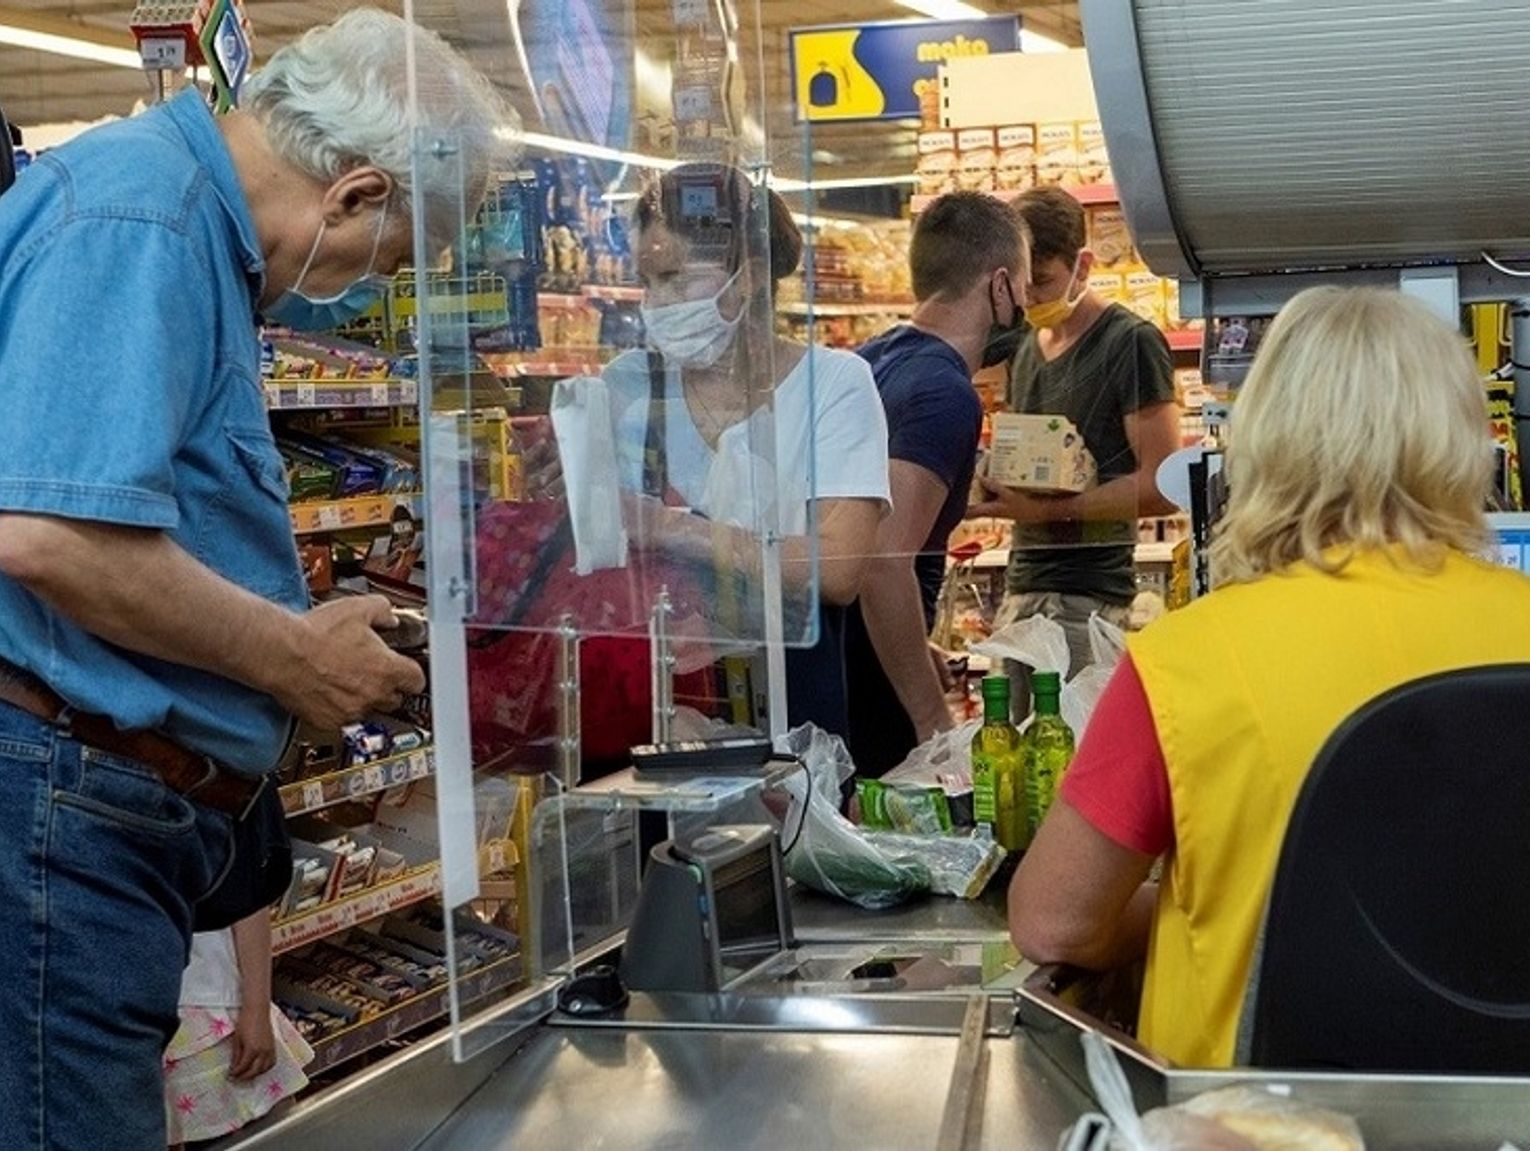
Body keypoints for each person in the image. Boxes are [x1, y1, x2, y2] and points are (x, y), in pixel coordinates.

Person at [0, 11, 508, 1148]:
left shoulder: (184, 229)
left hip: (95, 807)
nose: (365, 284)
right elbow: (45, 534)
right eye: (391, 256)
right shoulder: (142, 218)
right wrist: (291, 654)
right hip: (56, 807)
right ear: (357, 192)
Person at [1008, 286, 1530, 1068]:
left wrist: (1202, 905)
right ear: (1458, 438)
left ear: (1264, 445)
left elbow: (1054, 923)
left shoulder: (1185, 660)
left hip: (1243, 1118)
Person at [603, 164, 891, 738]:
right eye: (648, 280)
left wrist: (668, 527)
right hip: (659, 710)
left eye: (678, 279)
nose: (656, 302)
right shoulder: (629, 386)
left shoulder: (832, 384)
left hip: (793, 712)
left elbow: (836, 569)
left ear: (751, 275)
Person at [968, 186, 1180, 712]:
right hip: (1023, 588)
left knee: (1073, 759)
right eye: (1022, 285)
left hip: (1089, 597)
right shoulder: (1020, 345)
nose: (1032, 299)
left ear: (1082, 265)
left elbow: (1162, 484)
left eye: (1043, 281)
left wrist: (1045, 511)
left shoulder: (1128, 341)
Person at [843, 191, 1030, 777]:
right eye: (1023, 287)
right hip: (876, 706)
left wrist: (916, 651)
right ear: (998, 286)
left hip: (845, 670)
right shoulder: (944, 393)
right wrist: (932, 719)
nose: (1026, 304)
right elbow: (880, 561)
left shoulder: (873, 358)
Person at [163, 913, 313, 1147]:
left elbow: (249, 901)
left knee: (264, 1135)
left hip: (209, 1006)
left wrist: (257, 1007)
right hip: (118, 1022)